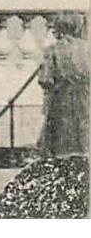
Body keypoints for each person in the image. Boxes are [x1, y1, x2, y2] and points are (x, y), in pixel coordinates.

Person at [36, 12, 88, 158]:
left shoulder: (52, 50)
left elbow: (45, 80)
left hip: (61, 101)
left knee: (61, 145)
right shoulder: (87, 48)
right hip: (86, 99)